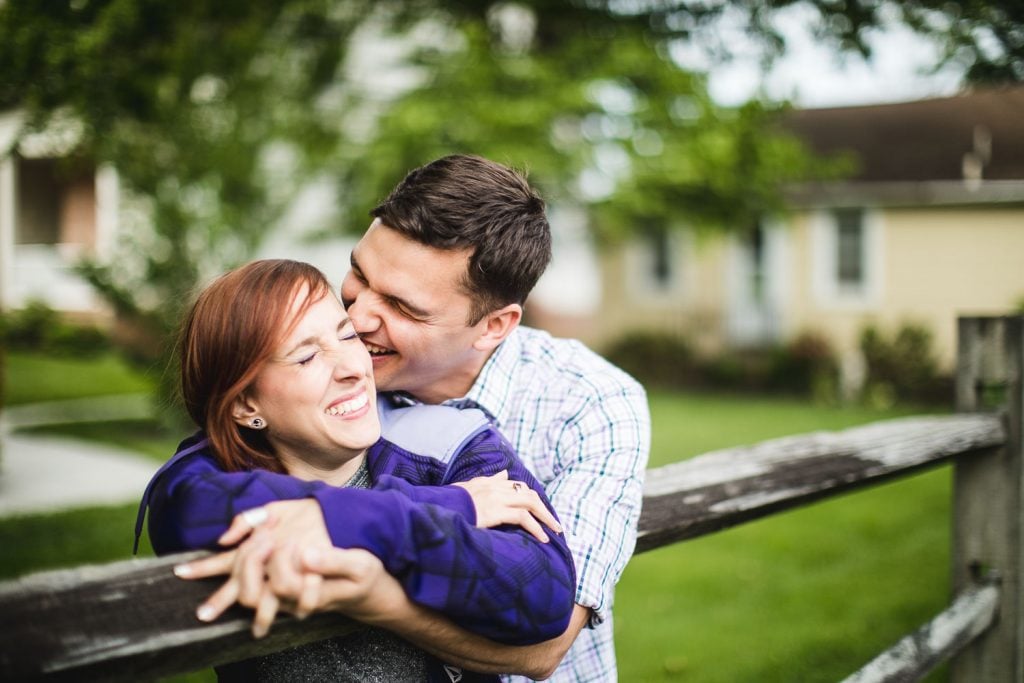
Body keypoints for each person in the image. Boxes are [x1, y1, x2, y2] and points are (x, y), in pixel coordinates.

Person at [180, 154, 652, 681]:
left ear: (494, 325)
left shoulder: (591, 402)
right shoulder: (332, 387)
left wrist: (374, 596)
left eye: (402, 307)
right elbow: (193, 492)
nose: (355, 320)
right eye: (359, 272)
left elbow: (544, 648)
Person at [136, 258, 577, 681]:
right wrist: (444, 508)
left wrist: (345, 526)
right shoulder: (209, 476)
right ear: (244, 405)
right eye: (307, 357)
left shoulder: (454, 445)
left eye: (348, 337)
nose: (352, 368)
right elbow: (187, 511)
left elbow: (545, 591)